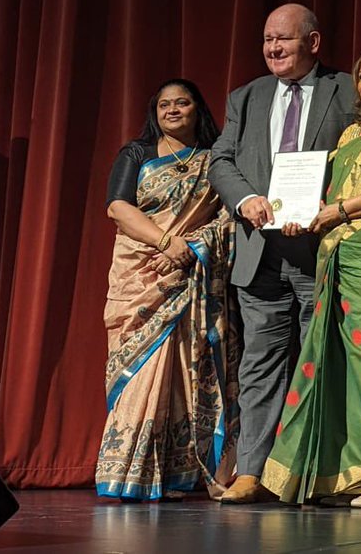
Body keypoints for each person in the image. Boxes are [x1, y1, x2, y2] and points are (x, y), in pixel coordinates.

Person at [259, 47, 361, 507]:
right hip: (340, 254)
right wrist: (301, 215)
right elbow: (330, 196)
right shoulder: (353, 131)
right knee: (338, 368)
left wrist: (338, 211)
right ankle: (337, 476)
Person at [208, 3, 354, 504]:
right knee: (259, 366)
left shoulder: (348, 90)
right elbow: (221, 159)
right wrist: (246, 199)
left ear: (313, 43)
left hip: (321, 248)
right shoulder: (246, 97)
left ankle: (320, 473)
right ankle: (252, 471)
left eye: (284, 40)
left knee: (325, 362)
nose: (273, 48)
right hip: (260, 253)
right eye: (267, 39)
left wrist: (329, 207)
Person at [96, 78, 238, 501]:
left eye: (182, 103)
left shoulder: (216, 161)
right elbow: (118, 208)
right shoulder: (136, 153)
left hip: (191, 279)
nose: (172, 110)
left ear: (199, 110)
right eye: (163, 105)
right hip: (141, 278)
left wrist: (192, 247)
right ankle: (128, 472)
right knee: (140, 372)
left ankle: (176, 472)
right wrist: (167, 242)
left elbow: (230, 218)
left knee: (183, 375)